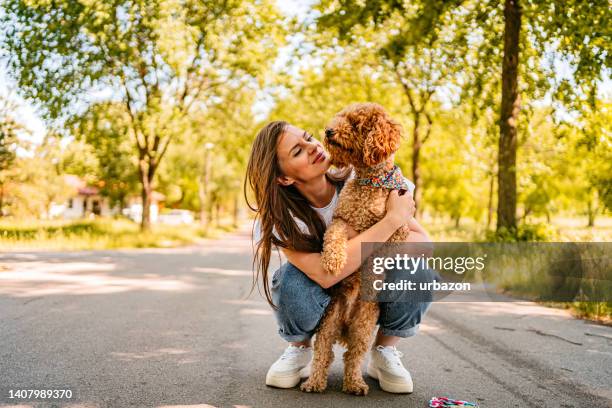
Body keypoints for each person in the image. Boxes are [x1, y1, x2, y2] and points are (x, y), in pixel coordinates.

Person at [244, 121, 435, 394]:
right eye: (298, 151)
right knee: (290, 279)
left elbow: (424, 244)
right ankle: (298, 349)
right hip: (322, 292)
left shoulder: (366, 179)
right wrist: (390, 221)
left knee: (419, 272)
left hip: (369, 289)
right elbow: (324, 274)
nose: (313, 147)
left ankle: (384, 351)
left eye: (309, 137)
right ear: (284, 178)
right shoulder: (280, 218)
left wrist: (376, 233)